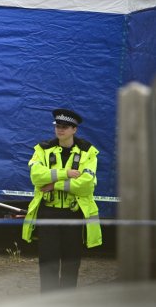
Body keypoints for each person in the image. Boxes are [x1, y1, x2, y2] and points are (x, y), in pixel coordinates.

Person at [22, 108, 102, 293]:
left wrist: (54, 185)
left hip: (73, 213)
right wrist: (66, 174)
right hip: (48, 212)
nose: (60, 130)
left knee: (71, 261)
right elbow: (36, 176)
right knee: (47, 260)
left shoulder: (88, 152)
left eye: (65, 127)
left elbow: (87, 184)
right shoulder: (42, 149)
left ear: (75, 129)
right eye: (58, 126)